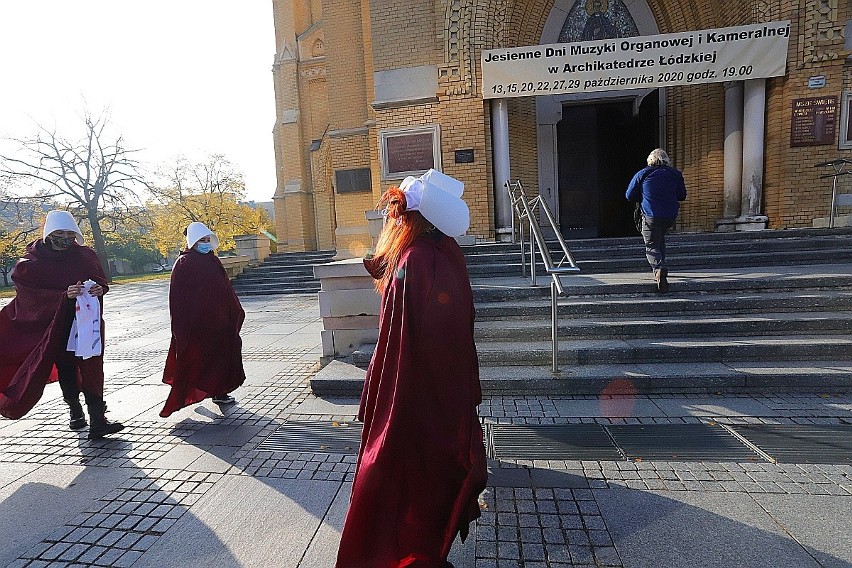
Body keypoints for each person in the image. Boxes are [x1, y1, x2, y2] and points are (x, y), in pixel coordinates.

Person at [335, 169, 488, 568]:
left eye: (398, 214)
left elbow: (410, 340)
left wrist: (391, 400)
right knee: (428, 480)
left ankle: (416, 554)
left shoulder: (420, 258)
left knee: (410, 479)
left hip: (418, 394)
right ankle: (424, 552)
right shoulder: (436, 251)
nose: (392, 220)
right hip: (436, 390)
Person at [0, 210, 124, 439]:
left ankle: (98, 418)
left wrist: (100, 288)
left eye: (70, 233)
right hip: (56, 325)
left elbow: (99, 279)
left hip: (88, 322)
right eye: (59, 233)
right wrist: (62, 295)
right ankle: (75, 410)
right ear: (48, 234)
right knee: (67, 368)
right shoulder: (31, 264)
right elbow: (30, 295)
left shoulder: (85, 256)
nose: (65, 238)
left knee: (93, 366)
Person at [159, 222, 246, 417]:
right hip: (197, 325)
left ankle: (219, 391)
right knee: (197, 359)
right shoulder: (183, 263)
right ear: (193, 242)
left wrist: (234, 311)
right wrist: (183, 326)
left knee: (221, 357)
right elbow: (178, 298)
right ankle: (194, 391)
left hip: (220, 322)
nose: (206, 244)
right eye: (201, 241)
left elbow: (225, 288)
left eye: (208, 240)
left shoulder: (213, 261)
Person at [626, 148, 687, 293]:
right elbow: (682, 195)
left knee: (651, 245)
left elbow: (629, 195)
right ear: (666, 160)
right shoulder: (675, 174)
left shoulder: (643, 173)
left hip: (650, 215)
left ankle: (659, 268)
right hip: (669, 216)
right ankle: (661, 268)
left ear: (650, 160)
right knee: (659, 240)